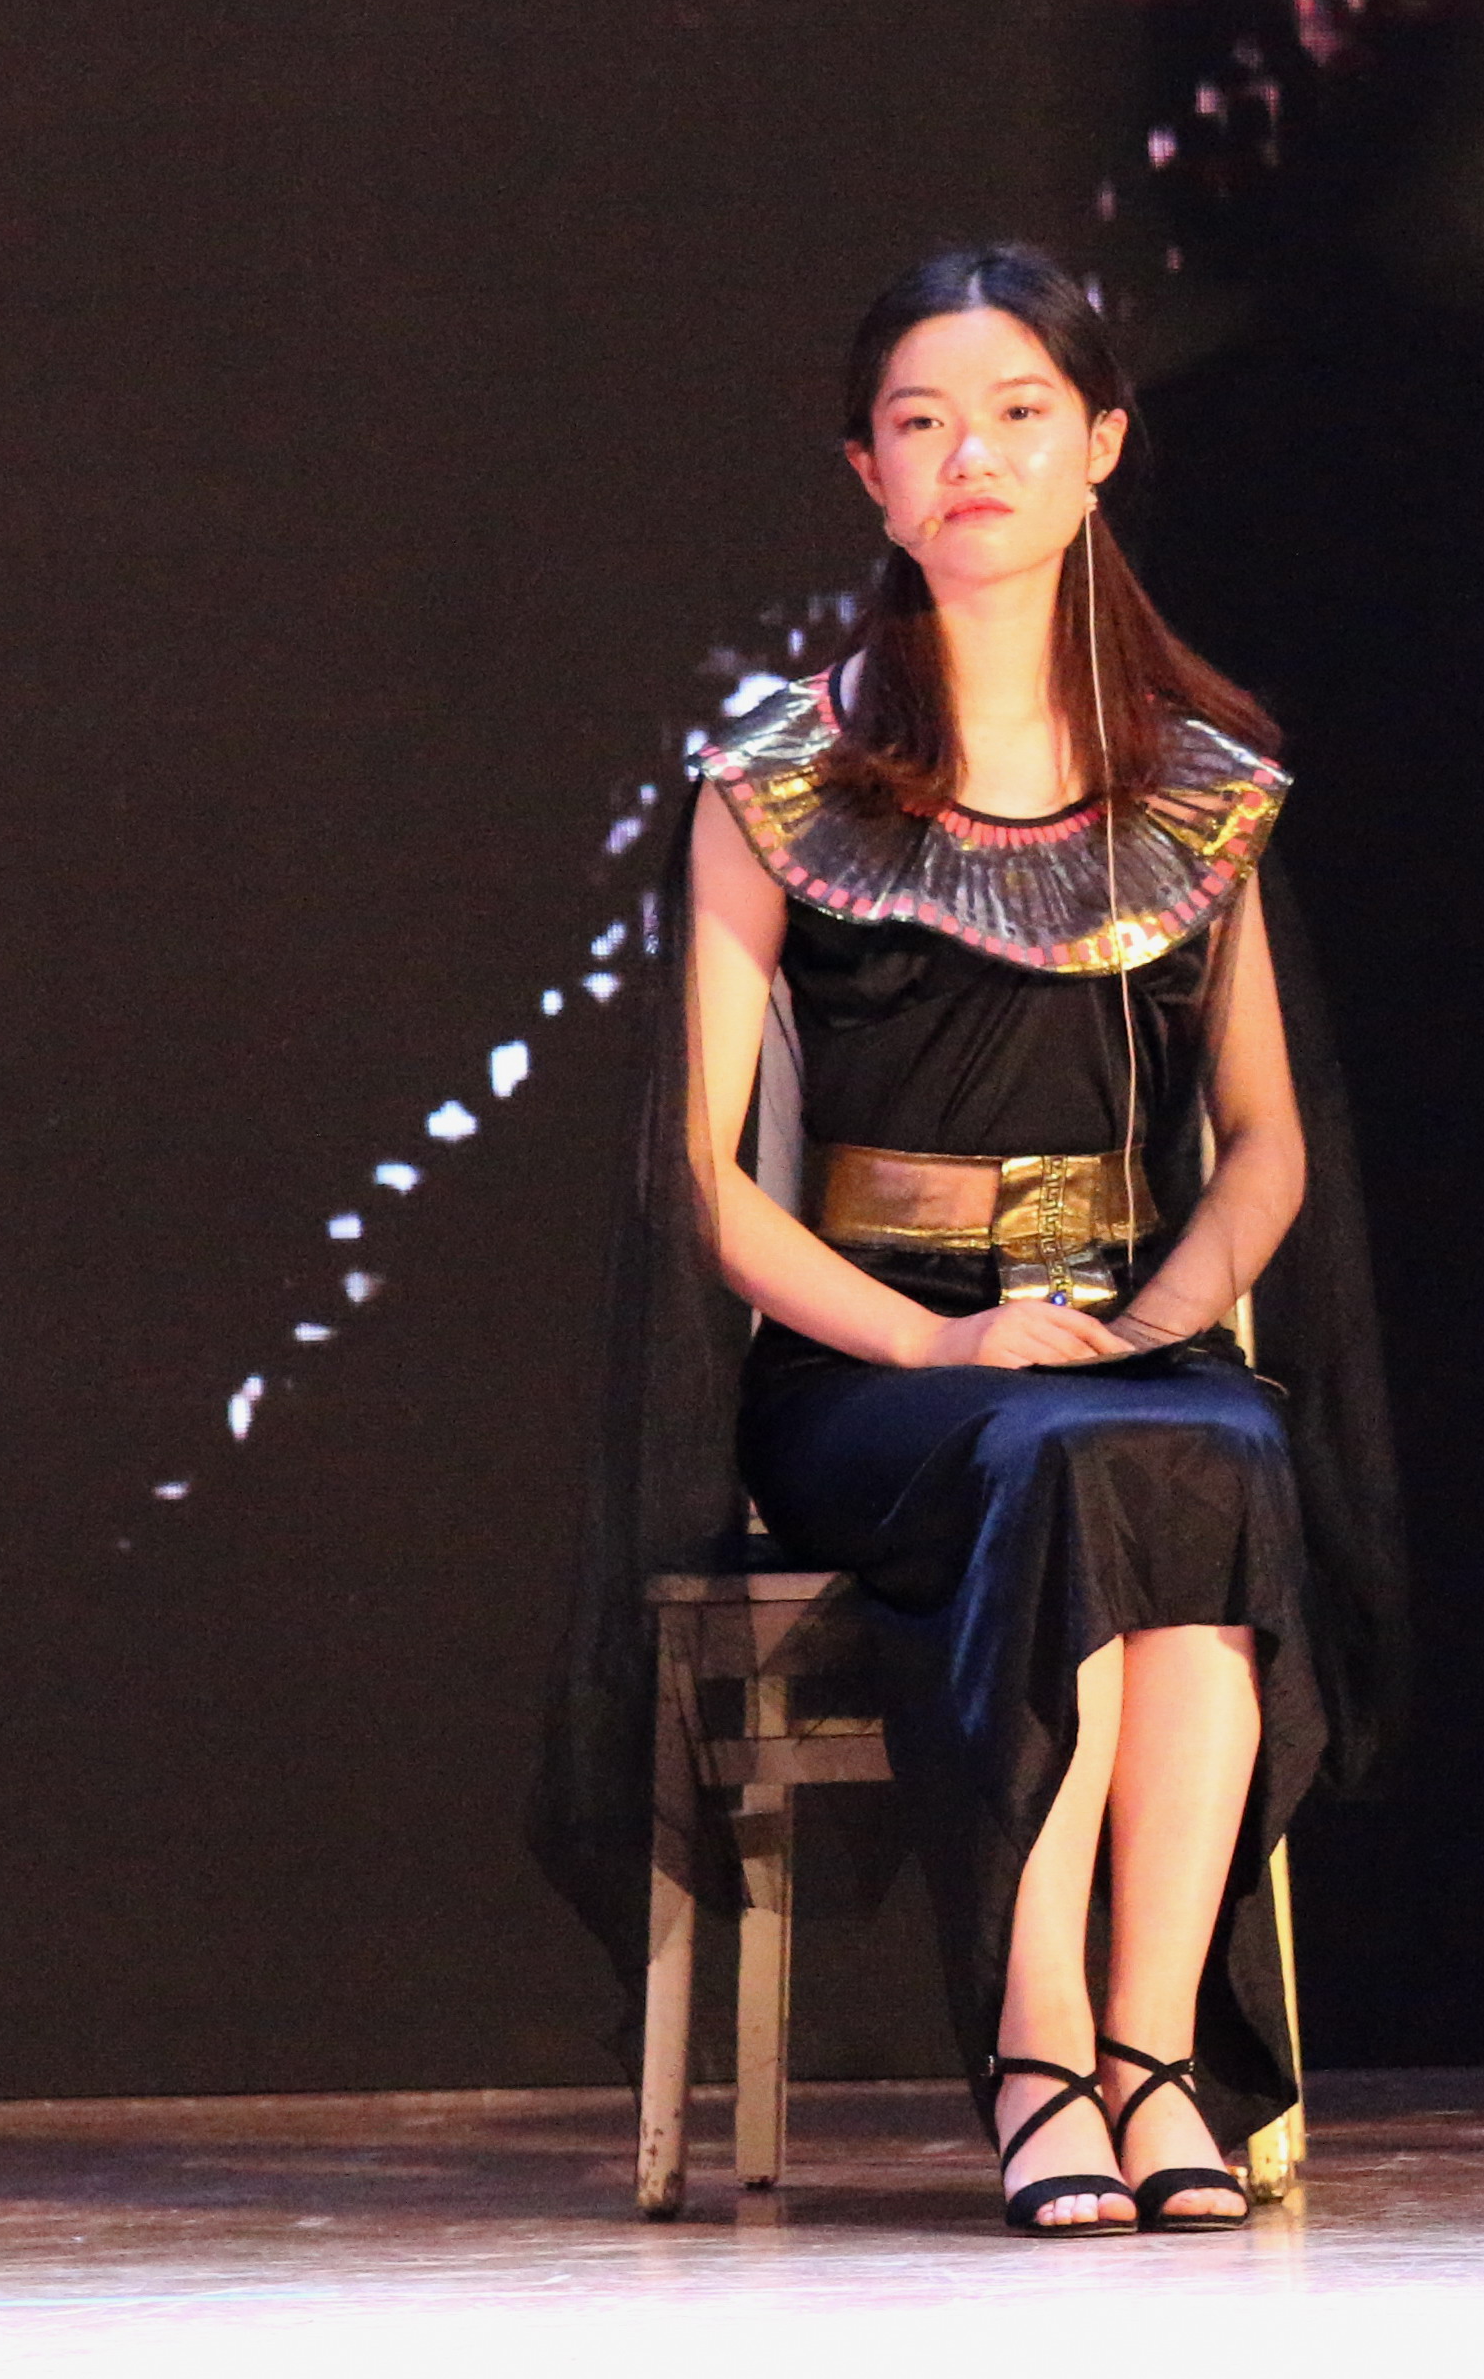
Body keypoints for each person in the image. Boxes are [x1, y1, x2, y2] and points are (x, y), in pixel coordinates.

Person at [540, 246, 1409, 2234]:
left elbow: (1265, 1142)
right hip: (872, 1365)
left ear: (1098, 444)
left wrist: (1162, 1314)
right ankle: (1037, 2054)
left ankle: (1155, 2059)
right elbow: (701, 1171)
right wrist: (935, 1344)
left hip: (1114, 1337)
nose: (972, 459)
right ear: (867, 472)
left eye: (1018, 414)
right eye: (922, 424)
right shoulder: (780, 778)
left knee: (1200, 1450)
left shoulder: (1198, 783)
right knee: (1078, 1467)